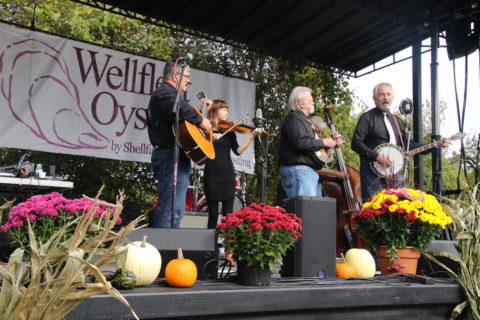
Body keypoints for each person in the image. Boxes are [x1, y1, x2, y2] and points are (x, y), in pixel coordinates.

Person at [351, 82, 451, 202]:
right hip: (372, 173)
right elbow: (356, 143)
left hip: (396, 173)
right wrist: (377, 156)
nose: (386, 98)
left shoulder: (397, 121)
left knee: (399, 206)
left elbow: (410, 145)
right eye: (382, 95)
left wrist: (436, 145)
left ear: (392, 98)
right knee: (374, 207)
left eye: (388, 95)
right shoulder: (367, 118)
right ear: (374, 98)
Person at [147, 59, 212, 228]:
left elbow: (182, 121)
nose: (189, 81)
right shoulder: (165, 93)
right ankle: (162, 249)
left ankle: (170, 248)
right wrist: (201, 120)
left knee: (176, 209)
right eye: (187, 76)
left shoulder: (172, 96)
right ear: (176, 76)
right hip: (169, 155)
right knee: (170, 207)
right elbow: (181, 109)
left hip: (175, 154)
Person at [204, 100, 263, 229]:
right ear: (215, 111)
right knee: (213, 215)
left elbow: (238, 151)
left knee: (229, 215)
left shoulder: (229, 131)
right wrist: (209, 139)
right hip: (211, 176)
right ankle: (210, 248)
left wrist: (251, 136)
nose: (227, 112)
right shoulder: (205, 130)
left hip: (227, 175)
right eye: (224, 110)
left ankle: (228, 248)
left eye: (227, 110)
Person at [278, 86, 341, 198]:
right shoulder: (295, 118)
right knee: (304, 212)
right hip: (299, 171)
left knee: (308, 211)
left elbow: (310, 147)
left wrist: (330, 145)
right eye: (311, 100)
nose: (313, 103)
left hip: (304, 172)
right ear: (301, 104)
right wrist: (324, 142)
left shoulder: (303, 120)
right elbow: (301, 143)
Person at [309, 115, 348, 196]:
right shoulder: (309, 144)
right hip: (310, 181)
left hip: (318, 182)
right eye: (317, 132)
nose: (319, 135)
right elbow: (316, 169)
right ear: (311, 129)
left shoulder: (319, 145)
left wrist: (333, 145)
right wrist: (337, 173)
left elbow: (327, 159)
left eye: (320, 132)